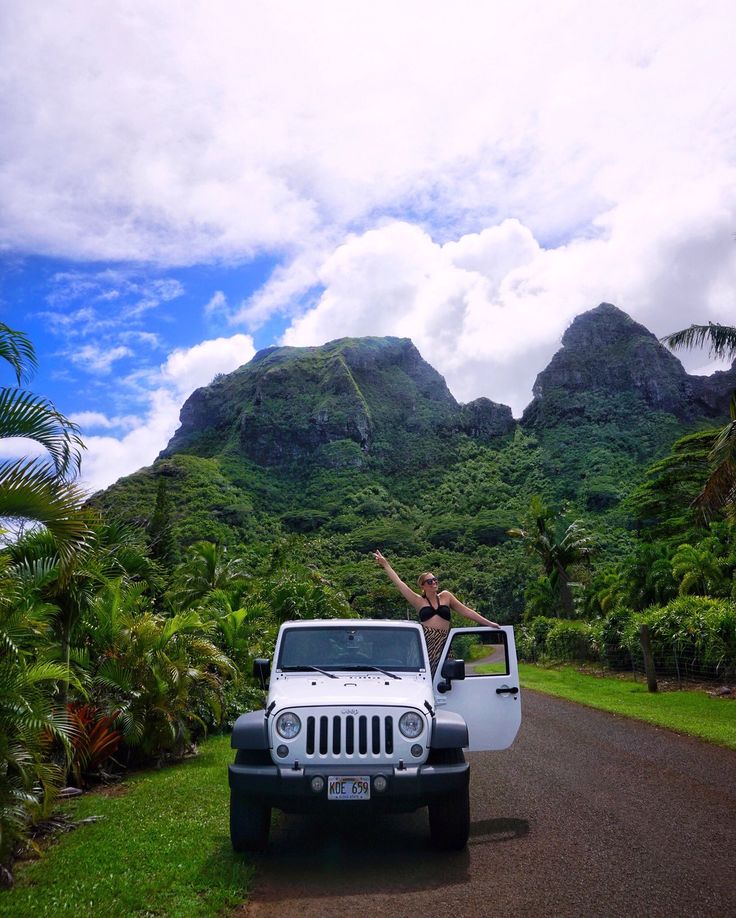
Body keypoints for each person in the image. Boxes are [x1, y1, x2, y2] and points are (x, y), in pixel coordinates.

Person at [372, 550, 500, 676]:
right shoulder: (418, 601)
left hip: (444, 642)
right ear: (422, 586)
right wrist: (385, 564)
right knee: (426, 677)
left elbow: (466, 611)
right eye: (429, 581)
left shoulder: (446, 596)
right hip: (425, 644)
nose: (434, 582)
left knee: (446, 677)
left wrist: (489, 623)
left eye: (435, 580)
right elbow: (400, 583)